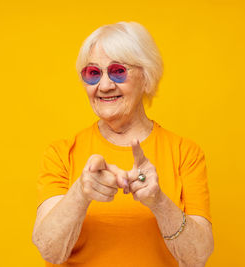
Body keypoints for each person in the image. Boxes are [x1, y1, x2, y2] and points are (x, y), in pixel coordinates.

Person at [32, 21, 214, 267]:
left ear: (147, 78)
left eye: (118, 71)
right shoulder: (61, 153)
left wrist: (159, 201)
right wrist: (81, 193)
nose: (105, 86)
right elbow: (50, 251)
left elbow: (197, 257)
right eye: (93, 73)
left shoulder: (185, 153)